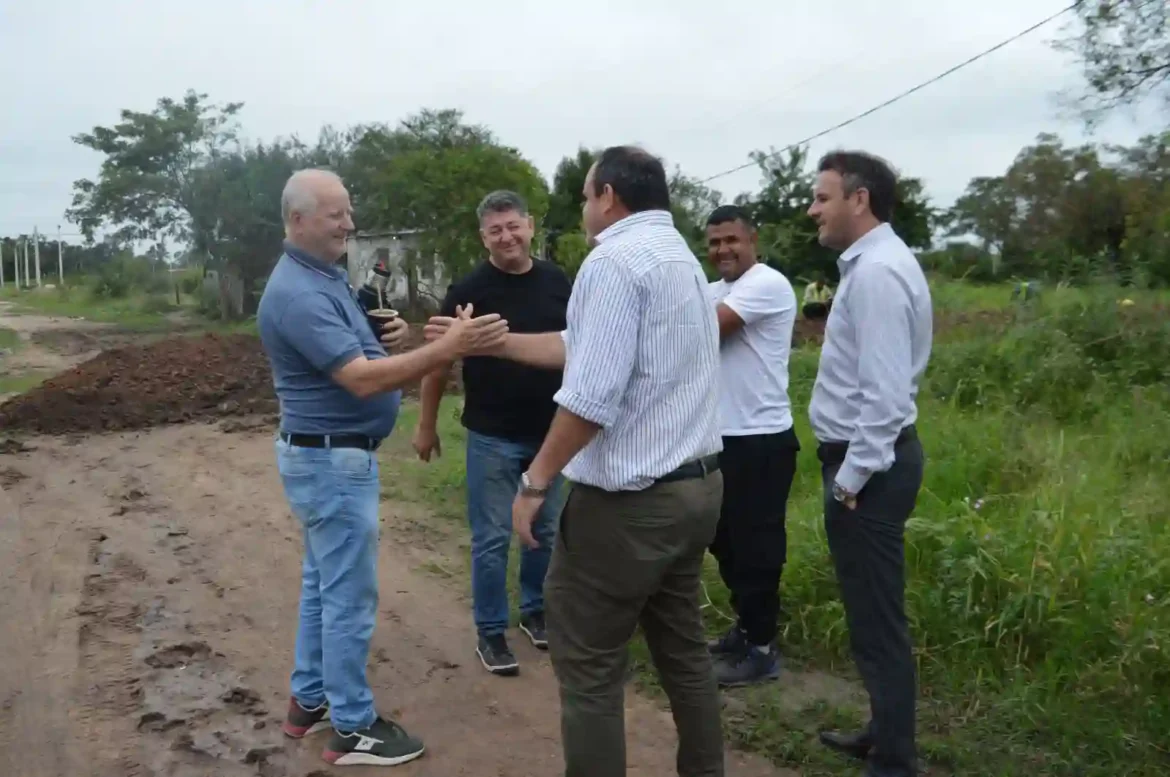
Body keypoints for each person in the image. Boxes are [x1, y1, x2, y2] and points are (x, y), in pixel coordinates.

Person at [425, 145, 726, 777]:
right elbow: (579, 345)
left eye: (587, 195)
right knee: (685, 655)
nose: (584, 207)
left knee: (587, 663)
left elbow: (591, 396)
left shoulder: (611, 261)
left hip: (630, 505)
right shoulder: (681, 259)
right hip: (696, 490)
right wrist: (495, 342)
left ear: (608, 197)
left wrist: (536, 482)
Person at [256, 168, 509, 768]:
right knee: (348, 596)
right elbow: (361, 379)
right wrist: (448, 348)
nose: (349, 223)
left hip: (326, 456)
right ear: (297, 220)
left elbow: (360, 352)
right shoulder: (298, 292)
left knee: (324, 586)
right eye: (335, 214)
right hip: (331, 461)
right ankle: (353, 725)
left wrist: (386, 334)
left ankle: (310, 699)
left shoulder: (323, 279)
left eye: (349, 211)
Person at [805, 151, 932, 777]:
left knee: (879, 619)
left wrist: (851, 479)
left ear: (859, 199)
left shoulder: (878, 274)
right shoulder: (872, 265)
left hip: (869, 471)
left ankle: (896, 759)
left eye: (822, 197)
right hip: (867, 463)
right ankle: (884, 733)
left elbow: (885, 398)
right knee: (868, 610)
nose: (813, 209)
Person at [413, 190, 572, 676]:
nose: (507, 237)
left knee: (544, 531)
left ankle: (535, 611)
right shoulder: (468, 290)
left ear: (529, 226)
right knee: (491, 537)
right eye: (495, 230)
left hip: (550, 435)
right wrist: (425, 424)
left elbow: (579, 347)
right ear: (484, 237)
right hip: (491, 436)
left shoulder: (558, 282)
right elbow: (438, 362)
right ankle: (490, 631)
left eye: (513, 226)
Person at [703, 204, 800, 687]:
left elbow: (699, 332)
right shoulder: (713, 290)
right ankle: (745, 628)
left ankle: (761, 648)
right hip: (720, 439)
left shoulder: (767, 284)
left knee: (757, 547)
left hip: (760, 439)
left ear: (752, 240)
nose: (723, 249)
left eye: (731, 240)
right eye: (715, 241)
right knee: (724, 542)